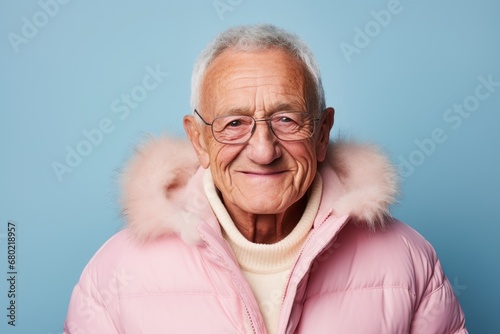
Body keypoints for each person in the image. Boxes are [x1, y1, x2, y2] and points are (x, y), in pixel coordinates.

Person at [64, 24, 467, 333]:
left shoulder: (408, 261)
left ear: (322, 133)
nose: (263, 150)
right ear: (199, 140)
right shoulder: (115, 273)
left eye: (286, 120)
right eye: (234, 122)